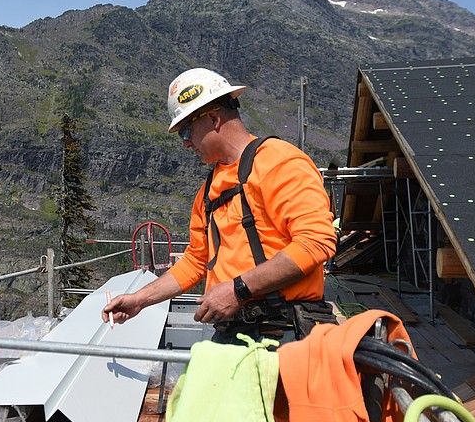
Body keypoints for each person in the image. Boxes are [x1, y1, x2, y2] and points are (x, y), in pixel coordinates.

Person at [102, 68, 337, 344]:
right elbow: (195, 262)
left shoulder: (279, 163)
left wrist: (238, 290)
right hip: (233, 332)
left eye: (186, 131)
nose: (186, 143)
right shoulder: (208, 191)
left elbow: (316, 242)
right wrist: (139, 300)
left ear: (213, 118)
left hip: (285, 334)